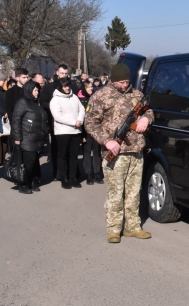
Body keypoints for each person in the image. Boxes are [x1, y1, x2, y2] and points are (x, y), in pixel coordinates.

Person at [84, 63, 154, 243]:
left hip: (136, 151)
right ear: (114, 80)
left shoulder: (137, 95)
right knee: (116, 193)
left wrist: (146, 118)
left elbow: (149, 111)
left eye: (127, 82)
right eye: (121, 82)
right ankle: (114, 229)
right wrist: (107, 141)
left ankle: (133, 227)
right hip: (115, 152)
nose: (125, 85)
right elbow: (90, 123)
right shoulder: (100, 96)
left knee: (133, 192)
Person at [11, 80, 48, 194]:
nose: (37, 92)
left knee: (34, 161)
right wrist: (17, 137)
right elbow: (16, 120)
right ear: (28, 90)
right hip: (26, 137)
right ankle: (23, 183)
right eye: (35, 90)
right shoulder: (22, 102)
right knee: (29, 161)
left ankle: (32, 181)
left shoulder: (36, 103)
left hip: (37, 138)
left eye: (38, 90)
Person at [50, 77, 85, 188]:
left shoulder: (74, 97)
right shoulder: (55, 100)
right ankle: (64, 178)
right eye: (65, 86)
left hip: (75, 131)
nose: (67, 88)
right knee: (62, 155)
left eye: (68, 85)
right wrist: (74, 122)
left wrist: (79, 120)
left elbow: (82, 109)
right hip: (62, 131)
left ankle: (72, 177)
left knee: (73, 155)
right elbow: (57, 116)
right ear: (60, 87)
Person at [39, 64, 68, 178]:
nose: (64, 75)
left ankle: (69, 172)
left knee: (68, 149)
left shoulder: (71, 86)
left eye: (66, 73)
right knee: (56, 147)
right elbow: (43, 101)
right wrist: (54, 106)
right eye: (62, 73)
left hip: (69, 122)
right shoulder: (50, 87)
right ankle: (57, 173)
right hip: (54, 121)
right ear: (57, 72)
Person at [80, 81, 103, 184]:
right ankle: (89, 173)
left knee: (97, 152)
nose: (91, 88)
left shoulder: (95, 99)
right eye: (88, 87)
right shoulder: (80, 100)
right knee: (87, 152)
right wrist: (82, 134)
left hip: (97, 130)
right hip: (86, 131)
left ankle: (97, 173)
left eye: (91, 86)